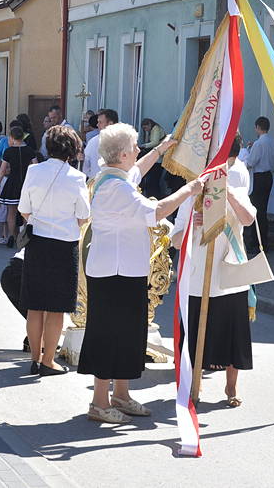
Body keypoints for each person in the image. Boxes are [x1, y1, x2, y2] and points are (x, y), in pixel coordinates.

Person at [77, 123, 203, 424]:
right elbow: (156, 212)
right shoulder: (114, 187)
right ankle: (98, 402)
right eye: (135, 147)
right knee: (108, 334)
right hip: (112, 273)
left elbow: (138, 171)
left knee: (129, 333)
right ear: (122, 154)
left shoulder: (115, 175)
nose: (138, 150)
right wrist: (189, 189)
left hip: (127, 271)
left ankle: (121, 394)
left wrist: (161, 150)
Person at [171, 134, 257, 407]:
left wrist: (227, 192)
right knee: (196, 337)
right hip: (198, 279)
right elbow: (175, 238)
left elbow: (248, 218)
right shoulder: (191, 193)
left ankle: (231, 388)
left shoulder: (237, 188)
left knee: (234, 337)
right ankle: (193, 386)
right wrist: (192, 227)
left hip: (230, 277)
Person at [18, 125, 90, 376]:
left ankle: (35, 358)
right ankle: (49, 360)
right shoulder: (77, 177)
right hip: (63, 245)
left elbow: (23, 208)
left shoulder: (34, 171)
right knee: (57, 307)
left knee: (35, 305)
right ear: (72, 150)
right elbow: (84, 215)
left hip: (37, 242)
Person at [0, 125, 36, 247]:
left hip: (12, 182)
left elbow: (2, 170)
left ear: (12, 137)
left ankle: (12, 236)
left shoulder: (8, 151)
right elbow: (35, 166)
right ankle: (24, 238)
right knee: (26, 211)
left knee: (11, 212)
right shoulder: (30, 150)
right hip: (26, 182)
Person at [244, 116, 274, 251]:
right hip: (268, 176)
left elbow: (251, 162)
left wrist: (245, 158)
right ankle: (263, 241)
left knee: (256, 210)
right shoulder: (272, 141)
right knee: (263, 210)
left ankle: (256, 242)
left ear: (258, 127)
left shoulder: (259, 144)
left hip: (258, 177)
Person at [83, 109, 118, 179]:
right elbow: (85, 164)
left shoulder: (123, 142)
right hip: (96, 184)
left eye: (100, 122)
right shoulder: (93, 142)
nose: (97, 125)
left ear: (110, 124)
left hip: (117, 184)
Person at [138, 118, 168, 198]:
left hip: (159, 158)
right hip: (157, 157)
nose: (146, 130)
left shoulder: (156, 129)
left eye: (145, 128)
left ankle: (155, 196)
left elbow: (154, 142)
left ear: (149, 124)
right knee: (152, 180)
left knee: (154, 180)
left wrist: (144, 145)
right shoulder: (151, 130)